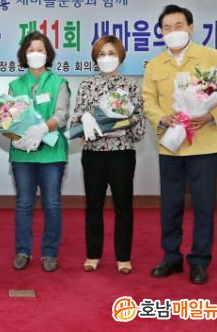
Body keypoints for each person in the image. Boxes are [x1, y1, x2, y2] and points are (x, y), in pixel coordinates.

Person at [142, 4, 217, 284]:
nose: (173, 31)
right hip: (170, 145)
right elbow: (148, 100)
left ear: (191, 28)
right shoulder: (154, 65)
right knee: (170, 205)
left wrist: (211, 115)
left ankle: (199, 261)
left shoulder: (213, 57)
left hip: (204, 145)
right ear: (161, 32)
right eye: (167, 27)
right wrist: (162, 117)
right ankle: (171, 257)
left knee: (204, 206)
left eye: (178, 25)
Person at [69, 35, 145, 274]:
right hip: (94, 154)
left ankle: (123, 257)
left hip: (122, 152)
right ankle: (93, 255)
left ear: (121, 56)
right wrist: (84, 118)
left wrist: (124, 122)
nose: (106, 58)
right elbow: (75, 123)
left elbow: (140, 127)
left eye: (111, 53)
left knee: (123, 205)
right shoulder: (86, 85)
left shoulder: (131, 86)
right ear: (95, 58)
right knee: (93, 204)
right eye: (102, 54)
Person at [9, 31, 70, 272]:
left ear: (48, 54)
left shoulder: (58, 83)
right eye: (31, 50)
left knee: (52, 204)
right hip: (22, 153)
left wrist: (43, 128)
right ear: (24, 54)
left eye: (40, 50)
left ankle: (49, 253)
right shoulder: (15, 85)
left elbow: (61, 115)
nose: (35, 54)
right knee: (24, 203)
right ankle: (22, 251)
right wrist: (14, 136)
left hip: (51, 153)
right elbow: (8, 119)